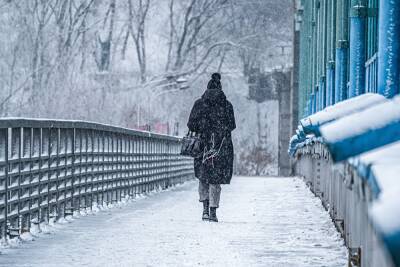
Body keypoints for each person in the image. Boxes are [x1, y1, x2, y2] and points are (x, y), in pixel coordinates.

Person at [187, 73, 236, 222]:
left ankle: (205, 210)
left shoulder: (199, 104)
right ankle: (213, 211)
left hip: (202, 145)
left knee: (203, 176)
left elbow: (191, 125)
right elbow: (232, 126)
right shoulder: (227, 105)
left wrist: (204, 127)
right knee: (215, 178)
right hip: (221, 146)